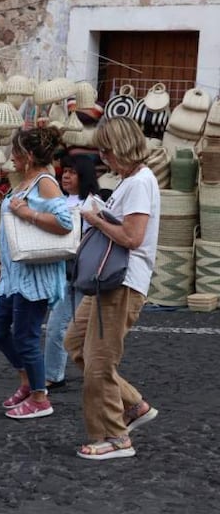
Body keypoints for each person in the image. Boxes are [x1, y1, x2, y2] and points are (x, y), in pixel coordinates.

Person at [65, 117, 160, 460]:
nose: (103, 156)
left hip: (122, 281)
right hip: (112, 281)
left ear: (119, 147)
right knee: (75, 342)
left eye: (106, 149)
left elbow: (132, 238)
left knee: (99, 363)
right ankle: (132, 404)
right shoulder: (131, 181)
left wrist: (95, 219)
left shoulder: (137, 184)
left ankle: (114, 437)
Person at [0, 124, 72, 420]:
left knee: (26, 336)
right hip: (15, 277)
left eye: (17, 151)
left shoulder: (46, 182)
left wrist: (28, 214)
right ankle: (27, 379)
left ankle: (39, 397)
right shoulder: (24, 180)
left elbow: (65, 222)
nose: (12, 156)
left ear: (30, 155)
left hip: (34, 277)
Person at [43, 154, 100, 389]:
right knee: (78, 328)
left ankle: (53, 375)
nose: (66, 175)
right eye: (65, 170)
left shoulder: (92, 204)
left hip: (79, 274)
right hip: (56, 271)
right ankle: (96, 372)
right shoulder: (59, 201)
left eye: (72, 172)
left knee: (58, 326)